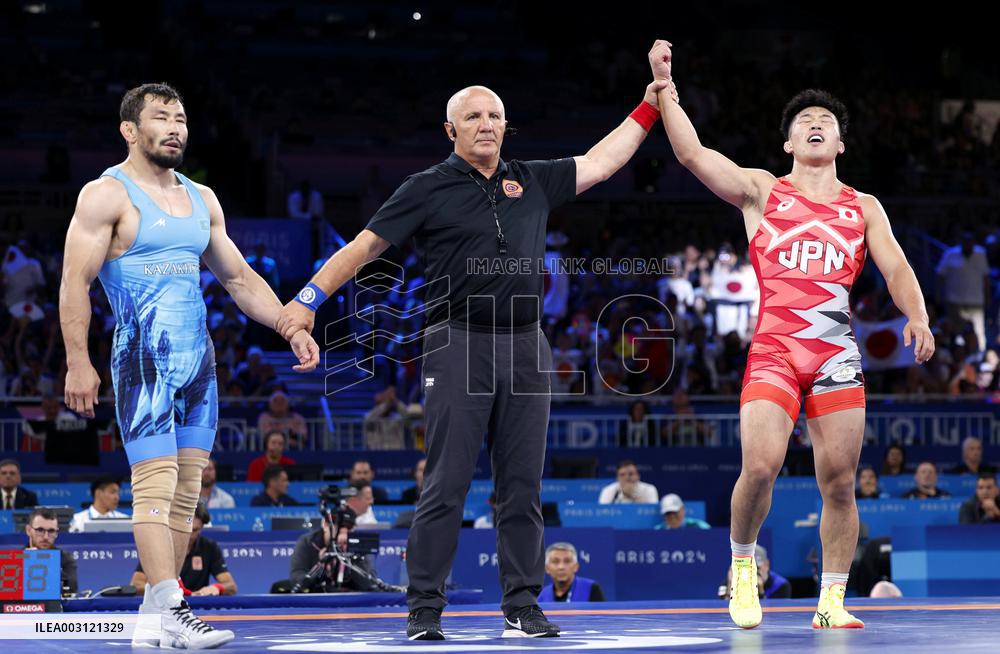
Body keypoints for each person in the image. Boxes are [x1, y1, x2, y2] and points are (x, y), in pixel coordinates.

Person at [275, 77, 673, 641]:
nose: (486, 124)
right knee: (446, 482)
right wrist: (308, 300)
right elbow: (365, 248)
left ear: (506, 126)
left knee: (523, 485)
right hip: (456, 341)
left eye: (494, 116)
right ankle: (425, 608)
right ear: (450, 130)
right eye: (473, 117)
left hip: (527, 344)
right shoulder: (425, 187)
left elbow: (603, 161)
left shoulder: (532, 179)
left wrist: (650, 104)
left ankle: (521, 604)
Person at [649, 40, 934, 630]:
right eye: (804, 121)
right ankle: (743, 569)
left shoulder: (864, 207)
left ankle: (831, 600)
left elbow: (898, 268)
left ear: (840, 145)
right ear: (788, 143)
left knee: (838, 482)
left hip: (835, 353)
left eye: (825, 122)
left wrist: (918, 315)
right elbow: (694, 155)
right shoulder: (762, 190)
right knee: (761, 466)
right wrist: (665, 89)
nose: (815, 125)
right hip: (775, 350)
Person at [59, 83, 318, 648]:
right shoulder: (106, 196)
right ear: (131, 130)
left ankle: (155, 624)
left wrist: (288, 325)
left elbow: (240, 279)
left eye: (181, 118)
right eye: (162, 118)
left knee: (186, 493)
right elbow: (73, 282)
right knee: (153, 482)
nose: (176, 127)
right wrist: (78, 361)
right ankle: (174, 608)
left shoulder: (202, 198)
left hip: (198, 362)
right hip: (142, 359)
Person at [131, 505, 238, 596]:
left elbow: (231, 586)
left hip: (196, 607)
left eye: (194, 530)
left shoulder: (209, 547)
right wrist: (167, 592)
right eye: (185, 529)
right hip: (164, 605)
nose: (188, 535)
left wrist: (216, 588)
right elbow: (136, 584)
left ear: (201, 528)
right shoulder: (159, 546)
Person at [936, 231, 989, 352]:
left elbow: (986, 278)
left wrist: (987, 298)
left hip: (976, 302)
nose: (968, 244)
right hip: (955, 302)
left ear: (974, 243)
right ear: (961, 242)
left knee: (979, 333)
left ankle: (980, 357)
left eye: (970, 242)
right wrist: (939, 294)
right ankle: (957, 359)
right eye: (966, 242)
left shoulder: (981, 254)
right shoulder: (950, 254)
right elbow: (940, 275)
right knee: (956, 334)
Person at [24, 507, 77, 596]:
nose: (45, 537)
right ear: (29, 530)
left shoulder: (65, 558)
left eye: (51, 531)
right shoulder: (16, 558)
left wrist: (43, 562)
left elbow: (71, 589)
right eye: (40, 530)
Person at [538, 542, 605, 603]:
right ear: (547, 568)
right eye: (555, 562)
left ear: (576, 567)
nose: (561, 567)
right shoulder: (540, 595)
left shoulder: (591, 589)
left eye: (567, 561)